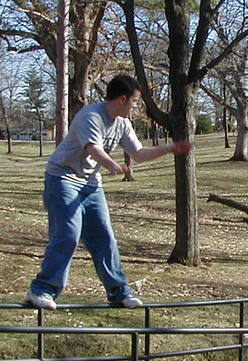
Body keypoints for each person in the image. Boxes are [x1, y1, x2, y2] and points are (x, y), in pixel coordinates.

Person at [26, 75, 191, 310]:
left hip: (91, 185)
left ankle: (118, 292)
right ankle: (41, 290)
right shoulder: (90, 115)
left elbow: (138, 154)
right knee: (68, 234)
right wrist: (110, 165)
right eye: (134, 101)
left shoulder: (122, 123)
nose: (135, 106)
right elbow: (93, 148)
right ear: (123, 99)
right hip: (62, 178)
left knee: (105, 236)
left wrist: (169, 148)